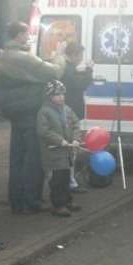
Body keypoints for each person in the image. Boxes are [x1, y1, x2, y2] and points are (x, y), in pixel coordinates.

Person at [0, 21, 65, 214]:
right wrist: (59, 55)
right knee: (33, 157)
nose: (28, 36)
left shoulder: (2, 57)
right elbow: (53, 72)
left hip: (14, 113)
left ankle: (16, 200)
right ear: (19, 35)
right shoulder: (22, 57)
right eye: (26, 33)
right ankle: (31, 201)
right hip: (30, 111)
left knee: (17, 157)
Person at [36, 80, 82, 217]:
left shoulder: (67, 109)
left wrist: (76, 139)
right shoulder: (44, 112)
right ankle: (58, 205)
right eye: (57, 94)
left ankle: (67, 201)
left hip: (66, 152)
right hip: (53, 153)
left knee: (66, 177)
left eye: (62, 94)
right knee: (57, 180)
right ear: (50, 96)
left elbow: (76, 124)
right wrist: (60, 140)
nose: (61, 97)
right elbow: (44, 131)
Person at [61, 41, 93, 193]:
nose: (81, 58)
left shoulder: (67, 68)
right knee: (71, 149)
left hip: (68, 112)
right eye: (80, 55)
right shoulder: (68, 69)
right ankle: (70, 183)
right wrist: (89, 70)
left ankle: (70, 181)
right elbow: (79, 85)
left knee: (71, 149)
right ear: (74, 55)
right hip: (70, 113)